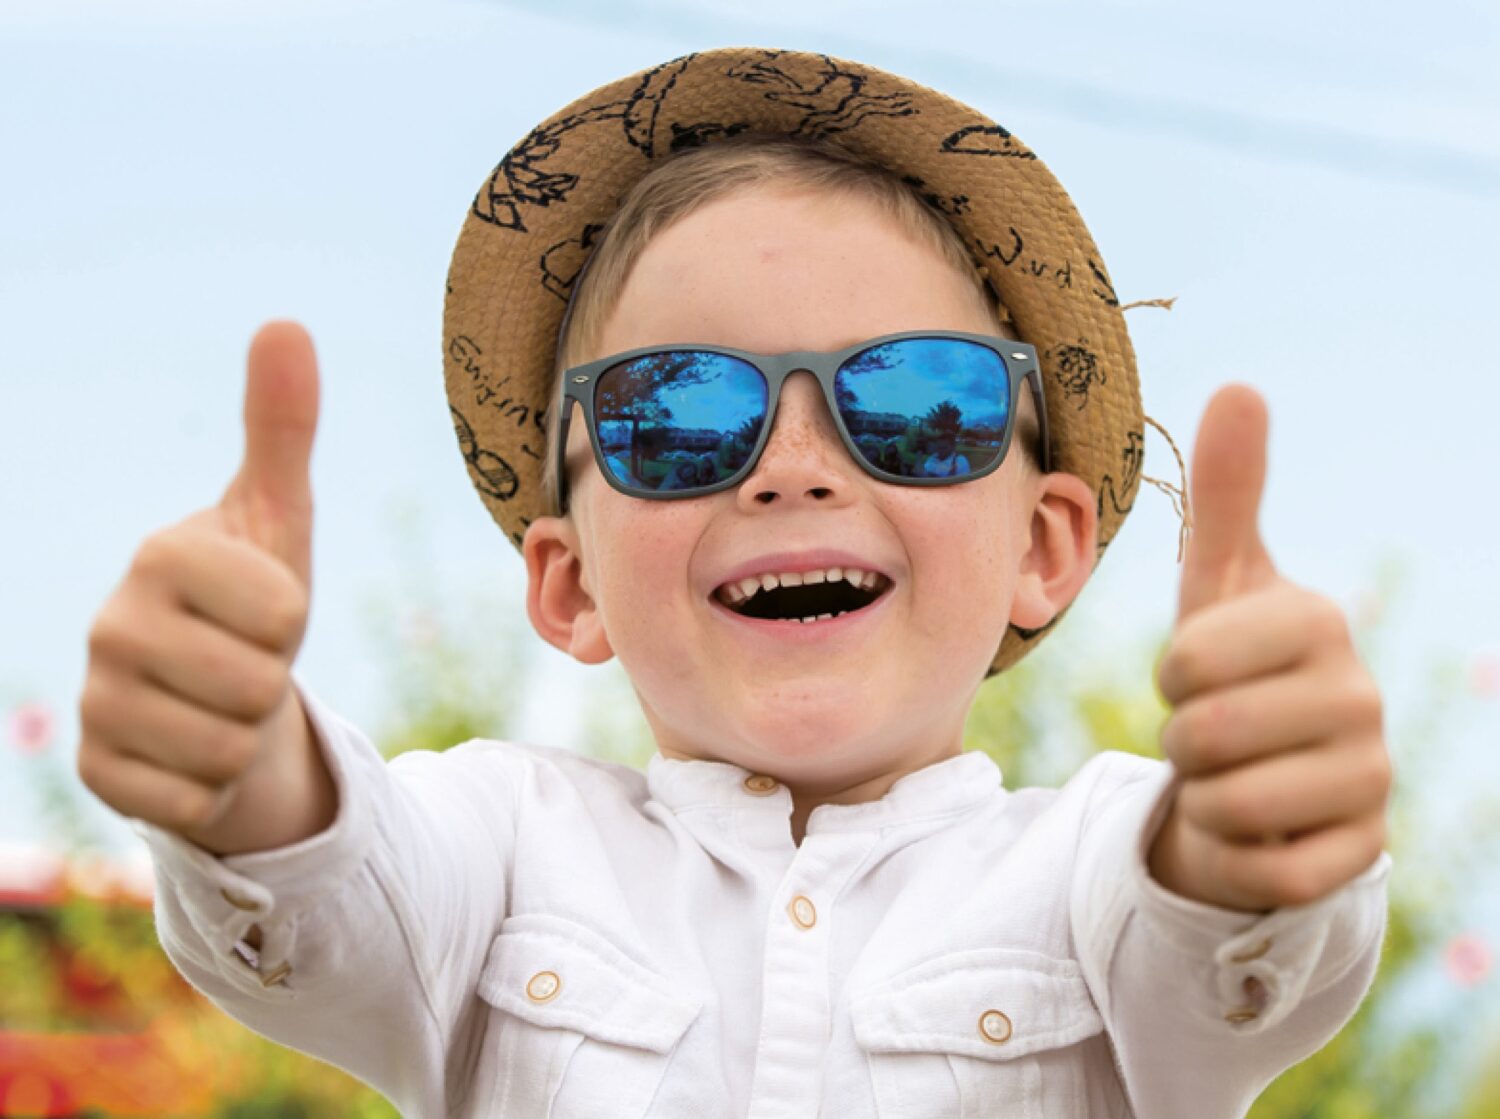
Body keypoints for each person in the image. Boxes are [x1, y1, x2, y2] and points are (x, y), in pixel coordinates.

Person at [76, 49, 1392, 1118]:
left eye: (917, 404)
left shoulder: (1092, 866)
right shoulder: (504, 847)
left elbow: (1219, 948)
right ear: (571, 583)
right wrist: (238, 759)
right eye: (680, 415)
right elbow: (331, 899)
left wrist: (1250, 835)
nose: (795, 467)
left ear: (1043, 548)